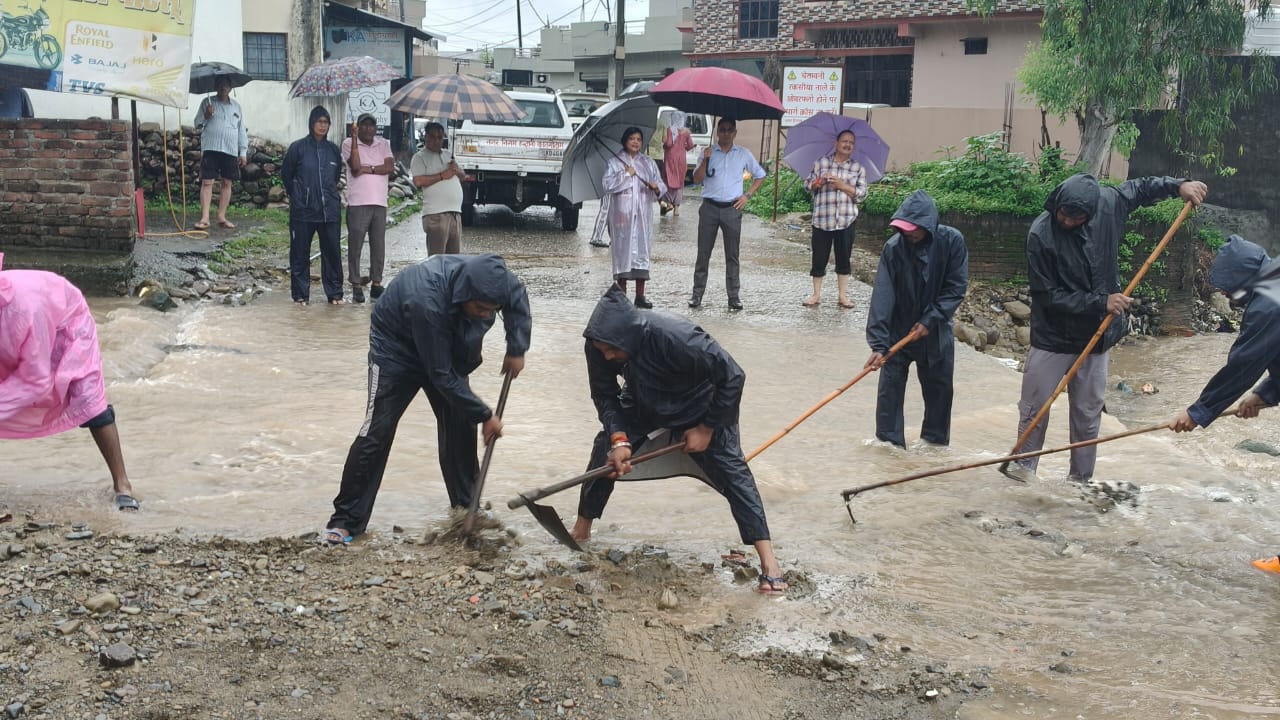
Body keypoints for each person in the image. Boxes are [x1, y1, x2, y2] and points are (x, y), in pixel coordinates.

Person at [573, 285, 788, 594]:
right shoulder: (598, 344)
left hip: (701, 405)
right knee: (603, 453)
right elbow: (604, 395)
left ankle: (769, 563)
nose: (606, 356)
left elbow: (733, 377)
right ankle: (580, 531)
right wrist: (619, 439)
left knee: (734, 473)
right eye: (601, 349)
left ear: (629, 337)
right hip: (643, 400)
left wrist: (707, 428)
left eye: (612, 350)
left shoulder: (678, 337)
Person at [1004, 173, 1208, 482]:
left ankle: (1080, 481)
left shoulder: (1109, 204)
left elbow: (1141, 188)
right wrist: (1100, 303)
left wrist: (1178, 186)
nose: (1067, 221)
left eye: (1075, 217)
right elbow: (1047, 296)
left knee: (1088, 414)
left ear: (1091, 213)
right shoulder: (1040, 235)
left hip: (1097, 338)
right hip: (1052, 336)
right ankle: (1022, 473)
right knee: (1034, 409)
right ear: (1056, 205)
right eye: (1063, 214)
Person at [324, 253, 531, 544]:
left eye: (492, 311)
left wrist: (517, 348)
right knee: (377, 431)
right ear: (464, 295)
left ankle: (466, 509)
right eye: (481, 309)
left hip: (447, 348)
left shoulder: (495, 281)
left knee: (461, 424)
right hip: (396, 350)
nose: (486, 315)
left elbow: (517, 297)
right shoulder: (426, 300)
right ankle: (345, 521)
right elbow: (441, 375)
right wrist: (486, 415)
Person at [1168, 236, 1279, 574]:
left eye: (1228, 290)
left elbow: (1243, 364)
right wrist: (1265, 394)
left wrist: (1198, 412)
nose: (1227, 296)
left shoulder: (1269, 302)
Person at [0, 254, 139, 511]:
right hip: (20, 335)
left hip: (68, 323)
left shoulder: (24, 311)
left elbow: (36, 379)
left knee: (88, 399)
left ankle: (122, 484)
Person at [864, 190, 968, 448]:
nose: (908, 234)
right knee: (889, 392)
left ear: (928, 225)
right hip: (898, 331)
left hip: (935, 330)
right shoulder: (894, 248)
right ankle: (889, 447)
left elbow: (955, 288)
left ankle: (933, 447)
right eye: (903, 229)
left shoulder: (952, 242)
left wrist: (930, 319)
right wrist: (878, 344)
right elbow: (882, 297)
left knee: (939, 392)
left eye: (913, 229)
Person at [688, 118, 767, 310]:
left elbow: (760, 175)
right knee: (703, 253)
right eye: (722, 130)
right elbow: (696, 180)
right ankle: (697, 295)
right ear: (717, 132)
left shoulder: (743, 154)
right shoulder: (707, 152)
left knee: (732, 255)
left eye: (729, 130)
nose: (725, 133)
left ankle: (733, 296)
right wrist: (705, 160)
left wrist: (747, 196)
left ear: (735, 133)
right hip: (709, 207)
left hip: (732, 209)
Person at [281, 106, 344, 306]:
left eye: (326, 122)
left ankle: (335, 294)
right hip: (303, 211)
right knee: (300, 253)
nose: (323, 126)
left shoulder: (333, 150)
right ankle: (300, 295)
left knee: (332, 253)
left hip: (329, 211)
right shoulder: (297, 148)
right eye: (319, 122)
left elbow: (335, 177)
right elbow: (286, 175)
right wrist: (298, 195)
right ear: (311, 123)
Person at [804, 129, 868, 308]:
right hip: (822, 219)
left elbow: (862, 194)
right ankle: (816, 295)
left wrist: (842, 185)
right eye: (844, 141)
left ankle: (842, 296)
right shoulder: (821, 163)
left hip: (846, 219)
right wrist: (820, 182)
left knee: (843, 258)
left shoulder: (858, 168)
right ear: (836, 143)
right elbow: (808, 185)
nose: (848, 145)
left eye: (851, 142)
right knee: (819, 258)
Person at [603, 126, 665, 309]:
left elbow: (661, 185)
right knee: (623, 253)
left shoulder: (648, 163)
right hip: (622, 215)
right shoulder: (615, 162)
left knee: (641, 252)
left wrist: (656, 187)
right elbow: (607, 185)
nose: (635, 142)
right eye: (632, 138)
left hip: (643, 216)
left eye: (638, 139)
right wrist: (625, 174)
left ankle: (640, 295)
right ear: (625, 140)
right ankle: (622, 296)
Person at [341, 113, 394, 303]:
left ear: (376, 128)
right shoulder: (348, 143)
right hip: (358, 203)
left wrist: (369, 168)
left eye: (371, 125)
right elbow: (356, 167)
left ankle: (376, 283)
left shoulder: (384, 143)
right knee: (355, 245)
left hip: (380, 202)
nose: (368, 129)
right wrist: (355, 138)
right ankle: (356, 284)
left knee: (378, 245)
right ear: (358, 127)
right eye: (364, 125)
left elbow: (389, 167)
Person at [193, 76, 249, 231]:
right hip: (211, 147)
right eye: (220, 85)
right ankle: (205, 218)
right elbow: (197, 123)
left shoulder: (236, 107)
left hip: (230, 149)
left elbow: (241, 130)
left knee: (227, 183)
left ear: (230, 88)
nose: (223, 87)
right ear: (216, 86)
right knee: (207, 182)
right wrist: (206, 115)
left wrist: (243, 151)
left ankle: (221, 217)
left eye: (226, 85)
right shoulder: (207, 102)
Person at [410, 121, 465, 256]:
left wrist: (456, 170)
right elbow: (418, 181)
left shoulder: (448, 155)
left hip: (455, 214)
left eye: (440, 137)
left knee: (454, 259)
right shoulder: (419, 157)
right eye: (433, 137)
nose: (436, 141)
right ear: (426, 137)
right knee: (437, 259)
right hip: (436, 215)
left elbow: (463, 176)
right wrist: (442, 175)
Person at [659, 111, 694, 217]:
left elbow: (669, 144)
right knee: (680, 183)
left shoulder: (670, 129)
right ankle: (676, 209)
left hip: (670, 159)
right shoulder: (686, 132)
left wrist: (664, 144)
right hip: (681, 160)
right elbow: (690, 146)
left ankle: (667, 204)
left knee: (668, 181)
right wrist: (684, 146)